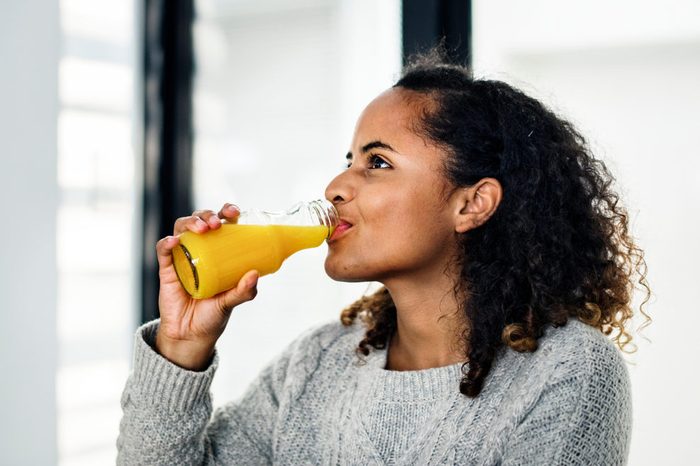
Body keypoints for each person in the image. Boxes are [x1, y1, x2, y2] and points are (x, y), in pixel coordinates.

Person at [117, 51, 650, 465]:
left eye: (377, 162)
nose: (335, 186)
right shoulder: (316, 364)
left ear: (471, 203)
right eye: (349, 160)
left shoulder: (566, 373)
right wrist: (181, 346)